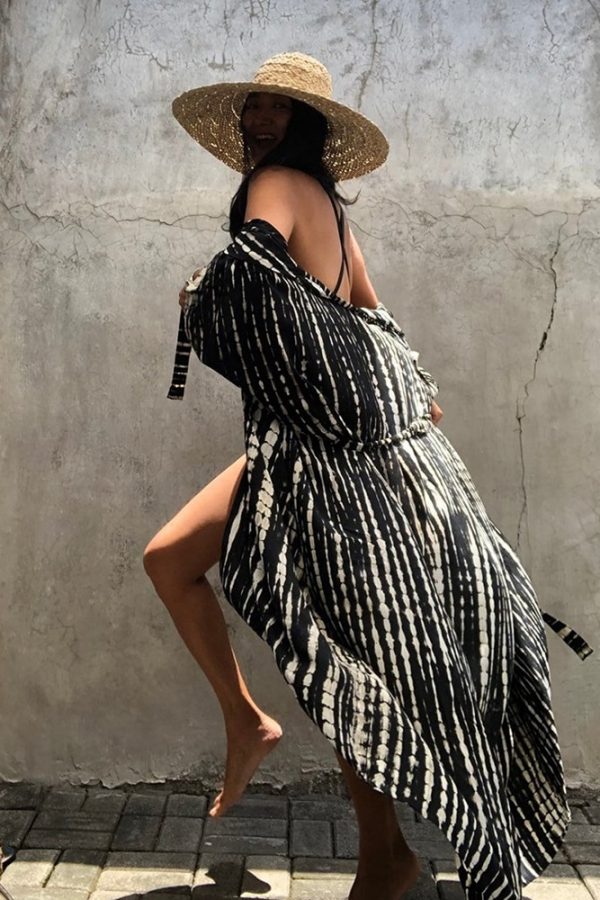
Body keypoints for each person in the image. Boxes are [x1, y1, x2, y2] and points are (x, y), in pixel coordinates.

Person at [145, 52, 592, 900]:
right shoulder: (330, 211)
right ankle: (255, 731)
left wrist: (201, 297)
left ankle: (380, 858)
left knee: (346, 661)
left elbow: (250, 274)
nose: (260, 119)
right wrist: (417, 393)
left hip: (326, 465)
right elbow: (372, 315)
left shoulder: (273, 184)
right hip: (329, 455)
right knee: (297, 628)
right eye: (254, 106)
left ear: (306, 125)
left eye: (279, 109)